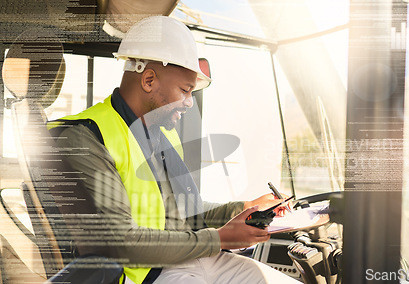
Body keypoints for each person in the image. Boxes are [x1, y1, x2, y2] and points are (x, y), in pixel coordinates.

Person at [49, 16, 300, 284]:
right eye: (185, 90)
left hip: (188, 260)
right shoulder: (86, 137)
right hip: (147, 274)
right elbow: (122, 242)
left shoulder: (156, 131)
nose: (189, 103)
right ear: (148, 80)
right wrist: (220, 238)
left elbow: (183, 213)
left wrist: (243, 208)